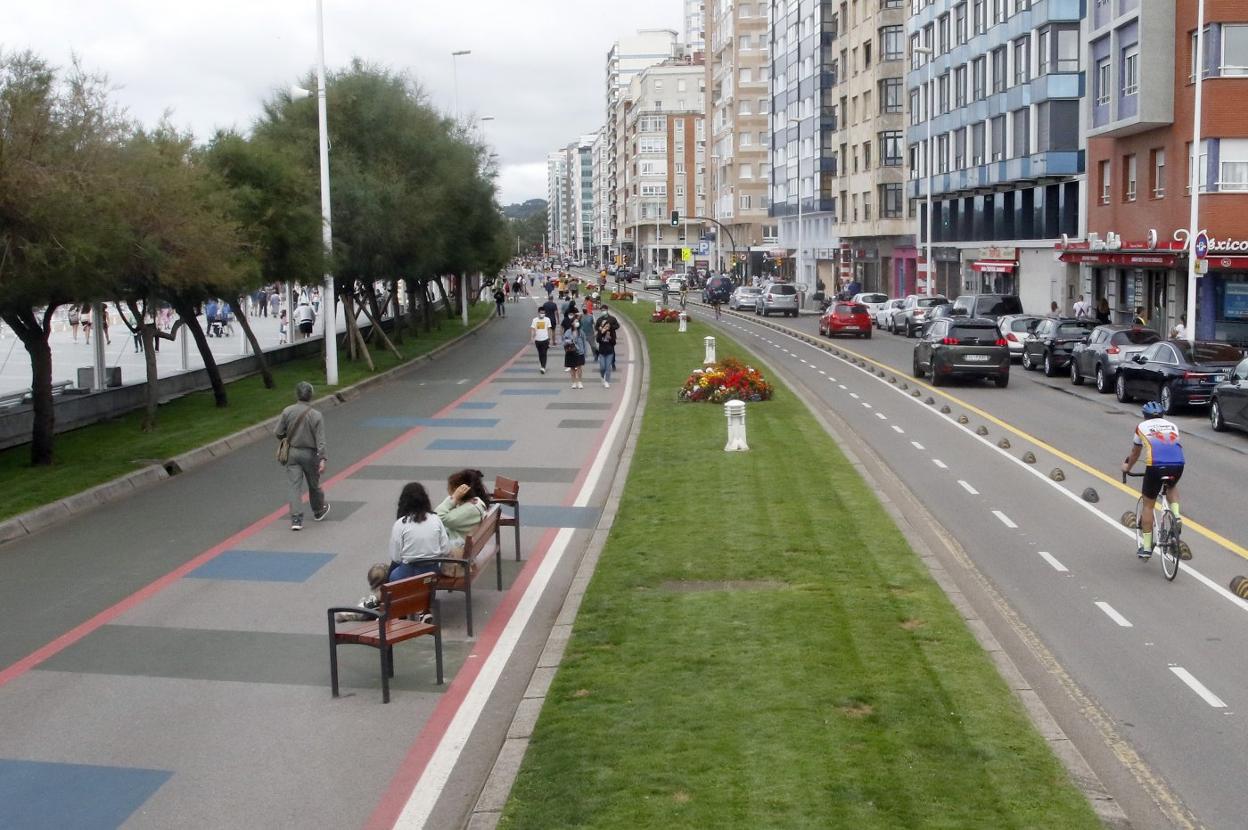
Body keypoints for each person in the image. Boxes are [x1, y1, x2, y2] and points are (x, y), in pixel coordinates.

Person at [1122, 401, 1184, 560]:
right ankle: (1176, 515)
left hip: (1156, 466)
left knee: (1148, 505)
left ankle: (1147, 547)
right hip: (1178, 464)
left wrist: (1127, 467)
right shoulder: (1172, 425)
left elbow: (1135, 453)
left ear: (1145, 416)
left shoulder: (1141, 427)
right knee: (1171, 485)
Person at [275, 381, 329, 531]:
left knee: (294, 486)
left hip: (292, 453)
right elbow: (321, 440)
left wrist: (286, 439)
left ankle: (296, 519)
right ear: (311, 395)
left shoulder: (287, 411)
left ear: (296, 395)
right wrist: (322, 459)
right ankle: (318, 511)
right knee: (313, 485)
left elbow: (278, 432)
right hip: (310, 454)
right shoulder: (316, 415)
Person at [387, 482, 451, 581]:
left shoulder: (401, 523)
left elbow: (396, 557)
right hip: (432, 571)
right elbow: (445, 549)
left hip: (409, 572)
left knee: (392, 575)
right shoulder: (435, 519)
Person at [436, 470, 491, 559]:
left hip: (457, 551)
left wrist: (453, 498)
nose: (447, 490)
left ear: (458, 490)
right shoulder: (475, 502)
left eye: (449, 488)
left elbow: (438, 517)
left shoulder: (470, 509)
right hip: (461, 544)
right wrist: (454, 499)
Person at [595, 304, 619, 388]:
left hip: (610, 345)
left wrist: (610, 328)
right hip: (602, 348)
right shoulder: (599, 320)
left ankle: (607, 381)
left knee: (608, 367)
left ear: (607, 310)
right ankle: (602, 377)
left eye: (604, 310)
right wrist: (601, 329)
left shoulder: (612, 319)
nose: (603, 311)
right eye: (602, 310)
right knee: (602, 367)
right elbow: (596, 327)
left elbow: (617, 326)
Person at [564, 313, 589, 388]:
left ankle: (580, 382)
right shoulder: (568, 332)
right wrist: (570, 341)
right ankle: (574, 382)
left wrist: (585, 352)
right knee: (572, 368)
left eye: (577, 321)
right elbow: (564, 341)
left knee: (579, 367)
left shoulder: (581, 332)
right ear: (572, 323)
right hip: (571, 352)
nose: (577, 323)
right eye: (575, 321)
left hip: (580, 352)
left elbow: (584, 342)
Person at [530, 309, 552, 374]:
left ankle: (543, 367)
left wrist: (549, 339)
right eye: (541, 313)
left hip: (545, 339)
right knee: (540, 354)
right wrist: (532, 337)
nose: (542, 314)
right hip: (537, 340)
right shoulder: (535, 320)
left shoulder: (547, 319)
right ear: (538, 313)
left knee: (544, 353)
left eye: (543, 313)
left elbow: (549, 329)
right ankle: (542, 365)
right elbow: (533, 329)